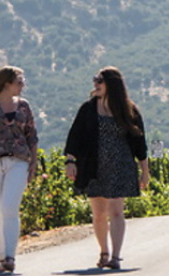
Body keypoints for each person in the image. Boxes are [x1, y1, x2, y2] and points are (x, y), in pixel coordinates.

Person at [64, 66, 149, 270]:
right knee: (99, 213)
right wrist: (70, 161)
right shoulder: (88, 108)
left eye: (99, 80)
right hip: (94, 166)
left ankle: (116, 256)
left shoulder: (129, 109)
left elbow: (140, 142)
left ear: (112, 84)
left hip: (121, 165)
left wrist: (145, 171)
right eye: (95, 80)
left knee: (117, 211)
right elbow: (75, 136)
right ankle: (104, 251)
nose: (95, 84)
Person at [0, 66, 38, 273]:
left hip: (18, 161)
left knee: (9, 206)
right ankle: (2, 257)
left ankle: (10, 256)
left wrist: (33, 162)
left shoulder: (24, 107)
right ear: (7, 83)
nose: (23, 84)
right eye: (19, 80)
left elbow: (32, 135)